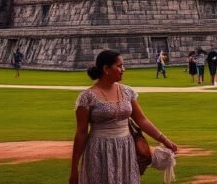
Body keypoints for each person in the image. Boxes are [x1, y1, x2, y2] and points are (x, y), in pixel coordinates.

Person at [70, 50, 177, 184]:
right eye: (119, 66)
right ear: (106, 69)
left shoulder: (127, 92)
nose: (123, 69)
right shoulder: (87, 97)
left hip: (126, 149)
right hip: (99, 151)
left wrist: (166, 141)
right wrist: (74, 168)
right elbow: (81, 133)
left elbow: (142, 120)